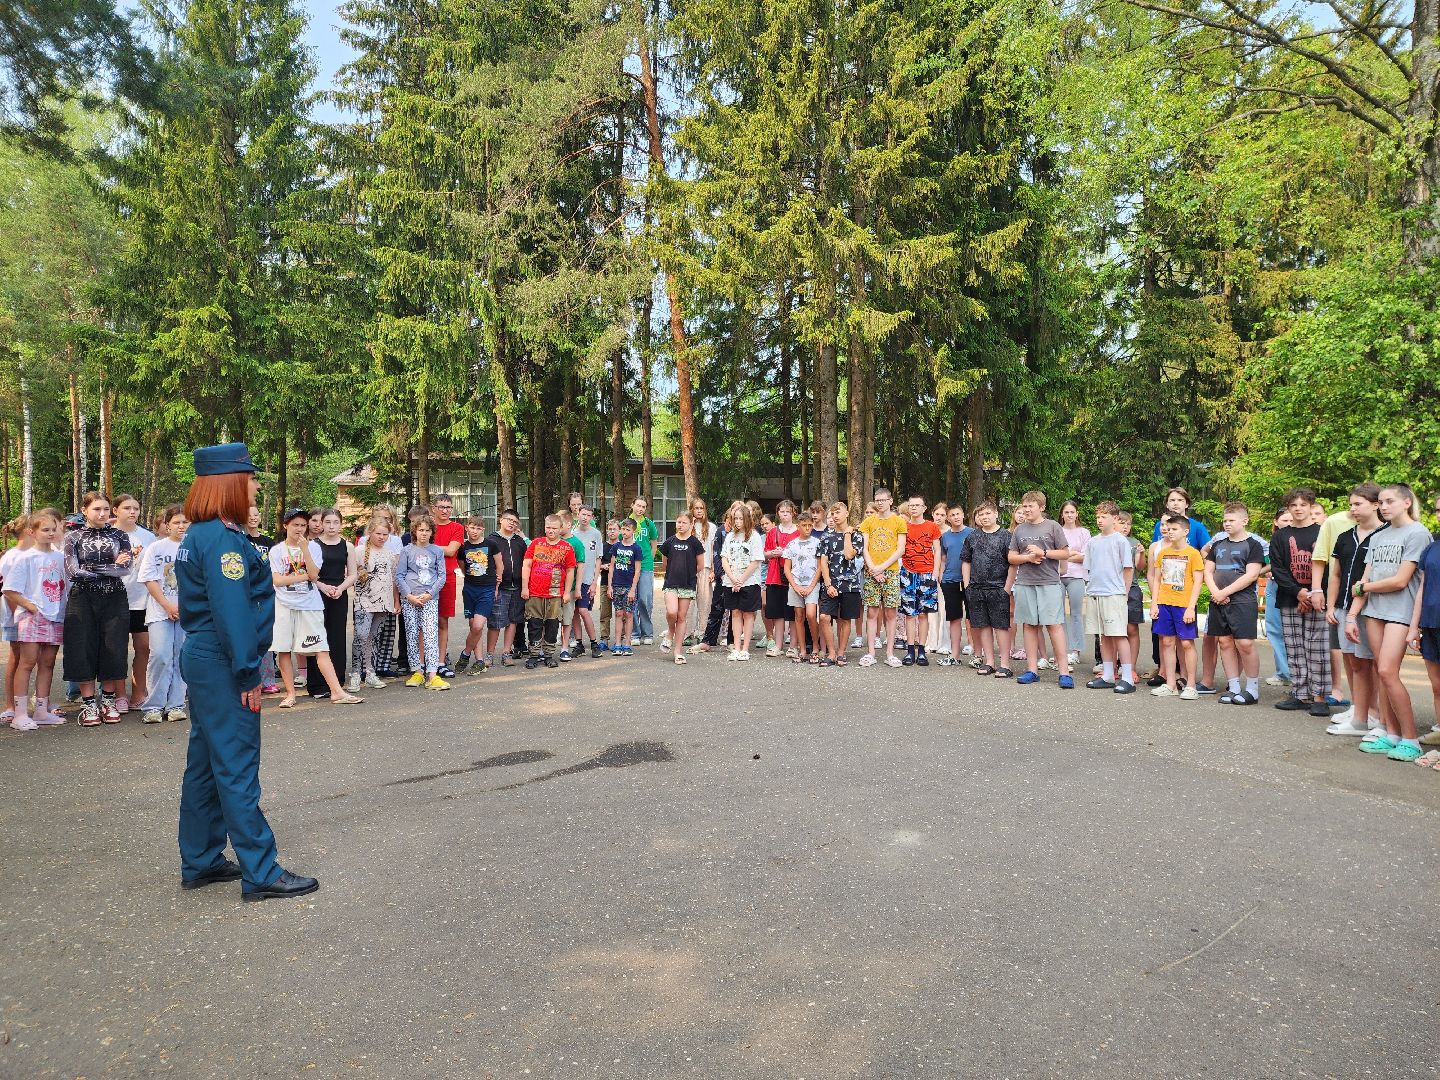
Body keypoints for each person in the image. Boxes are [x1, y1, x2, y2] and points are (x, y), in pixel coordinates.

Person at [174, 444, 318, 902]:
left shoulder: (205, 532)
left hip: (207, 656)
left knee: (205, 763)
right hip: (223, 659)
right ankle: (260, 870)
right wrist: (247, 673)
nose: (255, 485)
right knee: (236, 764)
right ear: (230, 483)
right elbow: (232, 611)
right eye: (250, 478)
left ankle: (201, 858)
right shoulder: (221, 538)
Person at [1350, 484, 1429, 761]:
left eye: (1389, 501)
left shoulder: (1417, 533)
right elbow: (1365, 577)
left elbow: (1400, 581)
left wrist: (1363, 588)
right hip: (1374, 612)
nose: (1383, 506)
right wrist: (1352, 615)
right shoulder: (1379, 535)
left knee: (1387, 671)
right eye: (1381, 502)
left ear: (1407, 502)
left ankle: (1411, 739)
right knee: (1380, 671)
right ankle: (1391, 734)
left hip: (1401, 612)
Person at [269, 509, 363, 705]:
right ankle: (290, 695)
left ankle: (337, 691)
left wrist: (305, 551)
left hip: (310, 604)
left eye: (303, 525)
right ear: (286, 526)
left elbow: (313, 574)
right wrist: (302, 577)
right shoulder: (277, 550)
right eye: (295, 525)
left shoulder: (314, 547)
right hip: (284, 604)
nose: (299, 529)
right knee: (284, 649)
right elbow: (277, 580)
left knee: (321, 648)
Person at [63, 491, 134, 726]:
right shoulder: (73, 537)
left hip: (114, 597)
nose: (102, 513)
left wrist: (91, 567)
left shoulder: (120, 535)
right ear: (84, 510)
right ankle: (88, 703)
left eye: (105, 509)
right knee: (82, 646)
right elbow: (73, 572)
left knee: (114, 646)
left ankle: (109, 700)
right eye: (96, 509)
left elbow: (125, 569)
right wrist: (110, 565)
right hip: (82, 598)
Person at [1325, 484, 1386, 737]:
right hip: (1343, 606)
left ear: (1375, 505)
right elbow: (1335, 575)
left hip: (1371, 608)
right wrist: (1331, 606)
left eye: (1358, 504)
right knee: (1354, 661)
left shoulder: (1385, 535)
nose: (1353, 509)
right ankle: (1359, 711)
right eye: (1350, 504)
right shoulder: (1344, 536)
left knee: (1374, 663)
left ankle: (1375, 713)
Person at [1270, 488, 1332, 717]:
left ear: (1311, 506)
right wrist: (1298, 593)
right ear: (1288, 508)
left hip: (1318, 598)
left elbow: (1329, 567)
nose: (1298, 509)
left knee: (1317, 648)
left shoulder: (1322, 533)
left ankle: (1320, 697)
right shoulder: (1280, 536)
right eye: (1293, 505)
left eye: (1303, 505)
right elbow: (1278, 568)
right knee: (1294, 648)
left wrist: (1312, 593)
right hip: (1290, 598)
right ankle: (1300, 694)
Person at [4, 508, 67, 729]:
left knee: (48, 663)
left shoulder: (60, 558)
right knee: (27, 662)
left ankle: (41, 710)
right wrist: (31, 607)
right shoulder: (26, 558)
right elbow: (10, 590)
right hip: (32, 617)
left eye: (53, 529)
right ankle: (20, 714)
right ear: (32, 532)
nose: (51, 533)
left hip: (56, 616)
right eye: (45, 530)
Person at [1008, 491, 1074, 688]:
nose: (1027, 510)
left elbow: (1065, 553)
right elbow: (1011, 557)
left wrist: (1043, 552)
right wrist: (1027, 558)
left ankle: (1064, 672)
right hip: (1025, 583)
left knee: (1054, 625)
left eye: (1031, 506)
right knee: (1029, 626)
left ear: (1042, 507)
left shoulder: (1053, 526)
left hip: (1049, 583)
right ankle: (1032, 670)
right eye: (1025, 506)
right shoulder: (1019, 530)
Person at [1204, 502, 1266, 705]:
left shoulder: (1253, 545)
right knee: (1225, 642)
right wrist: (1216, 593)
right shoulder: (1218, 545)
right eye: (1225, 520)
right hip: (1218, 599)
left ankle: (1252, 690)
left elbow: (1251, 575)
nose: (1227, 524)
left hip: (1243, 600)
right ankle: (1234, 687)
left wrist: (1225, 592)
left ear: (1244, 521)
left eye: (1231, 520)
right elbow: (1208, 571)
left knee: (1245, 643)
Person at [1148, 488, 1211, 680]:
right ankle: (1167, 677)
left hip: (1184, 599)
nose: (1168, 531)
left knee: (1185, 642)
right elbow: (1155, 575)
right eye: (1172, 500)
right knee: (1165, 640)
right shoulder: (1161, 548)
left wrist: (1192, 605)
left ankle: (1187, 679)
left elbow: (1205, 557)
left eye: (1179, 500)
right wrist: (1154, 601)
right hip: (1164, 599)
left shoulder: (1196, 532)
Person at [137, 504, 190, 723]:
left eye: (185, 522)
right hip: (160, 611)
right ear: (167, 525)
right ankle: (154, 706)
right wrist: (167, 605)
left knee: (181, 657)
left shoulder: (194, 548)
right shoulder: (156, 548)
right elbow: (149, 579)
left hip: (187, 611)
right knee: (160, 655)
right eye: (176, 522)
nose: (181, 526)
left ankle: (176, 704)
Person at [1082, 501, 1136, 694]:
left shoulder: (1120, 541)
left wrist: (1125, 593)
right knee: (1103, 636)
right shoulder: (1092, 542)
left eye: (1103, 517)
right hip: (1096, 593)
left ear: (1114, 519)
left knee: (1119, 634)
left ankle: (1127, 677)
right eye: (1097, 516)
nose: (1099, 520)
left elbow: (1128, 569)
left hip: (1114, 593)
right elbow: (1089, 568)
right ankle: (1107, 675)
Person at [392, 514, 449, 689]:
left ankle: (432, 674)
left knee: (430, 635)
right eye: (420, 530)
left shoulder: (437, 551)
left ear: (432, 532)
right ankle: (417, 671)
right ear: (414, 531)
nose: (424, 533)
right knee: (412, 635)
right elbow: (399, 576)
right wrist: (408, 596)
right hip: (410, 599)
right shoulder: (406, 551)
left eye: (427, 530)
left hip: (429, 599)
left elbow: (442, 576)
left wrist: (430, 594)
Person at [307, 508, 358, 699]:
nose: (331, 526)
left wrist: (340, 588)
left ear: (340, 524)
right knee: (318, 637)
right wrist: (323, 587)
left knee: (336, 637)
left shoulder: (347, 546)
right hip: (317, 593)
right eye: (327, 522)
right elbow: (309, 574)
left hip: (339, 594)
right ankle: (317, 684)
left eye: (335, 522)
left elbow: (352, 574)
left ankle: (337, 682)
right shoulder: (313, 545)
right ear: (321, 523)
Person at [1311, 498, 1356, 708]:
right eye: (1352, 503)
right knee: (1338, 646)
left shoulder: (1383, 527)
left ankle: (1369, 710)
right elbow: (1323, 561)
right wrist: (1317, 589)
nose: (1354, 508)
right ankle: (1339, 693)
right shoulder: (1336, 525)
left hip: (1366, 596)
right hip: (1336, 595)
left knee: (1364, 658)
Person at [962, 501, 1015, 678]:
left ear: (996, 514)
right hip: (976, 588)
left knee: (1001, 627)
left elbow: (1013, 564)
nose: (985, 517)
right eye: (981, 514)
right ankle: (989, 661)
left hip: (998, 588)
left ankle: (1005, 664)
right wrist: (967, 585)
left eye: (988, 513)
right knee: (983, 626)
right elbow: (966, 560)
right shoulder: (972, 536)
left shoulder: (1006, 536)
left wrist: (1007, 588)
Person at [114, 493, 156, 713]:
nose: (132, 512)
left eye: (136, 508)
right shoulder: (108, 535)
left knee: (144, 647)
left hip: (143, 600)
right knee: (117, 650)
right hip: (115, 600)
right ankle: (119, 696)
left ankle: (138, 693)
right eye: (127, 508)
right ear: (115, 511)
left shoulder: (148, 537)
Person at [521, 513, 577, 670]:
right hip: (535, 592)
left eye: (554, 528)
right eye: (548, 527)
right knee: (534, 624)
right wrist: (525, 587)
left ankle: (548, 655)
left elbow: (570, 571)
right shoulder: (536, 543)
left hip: (555, 594)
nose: (551, 531)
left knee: (553, 625)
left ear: (561, 528)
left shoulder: (567, 547)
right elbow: (526, 565)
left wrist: (567, 592)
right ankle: (533, 655)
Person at [348, 514, 397, 691]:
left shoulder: (390, 555)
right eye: (378, 534)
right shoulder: (359, 551)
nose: (382, 537)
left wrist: (395, 601)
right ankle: (355, 673)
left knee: (373, 637)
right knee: (361, 636)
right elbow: (350, 573)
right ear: (370, 532)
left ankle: (370, 672)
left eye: (385, 534)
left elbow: (393, 580)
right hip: (364, 601)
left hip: (383, 602)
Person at [859, 488, 907, 668]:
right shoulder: (868, 522)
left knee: (891, 612)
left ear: (890, 501)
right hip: (871, 572)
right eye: (877, 500)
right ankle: (871, 652)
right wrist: (873, 569)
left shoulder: (899, 521)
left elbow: (900, 549)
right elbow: (864, 548)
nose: (880, 503)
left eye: (883, 500)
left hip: (891, 572)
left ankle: (890, 653)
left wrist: (882, 567)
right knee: (872, 612)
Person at [817, 500, 865, 666]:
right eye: (832, 513)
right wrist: (828, 584)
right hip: (831, 583)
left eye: (838, 512)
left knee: (845, 619)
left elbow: (849, 555)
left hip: (850, 584)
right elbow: (823, 562)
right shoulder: (826, 536)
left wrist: (847, 534)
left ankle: (841, 653)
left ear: (846, 514)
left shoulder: (856, 535)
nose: (835, 516)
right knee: (824, 617)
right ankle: (831, 653)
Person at [895, 495, 941, 667]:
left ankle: (921, 649)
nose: (914, 508)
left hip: (927, 574)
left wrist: (935, 572)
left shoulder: (931, 526)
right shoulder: (903, 526)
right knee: (909, 614)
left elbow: (937, 549)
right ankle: (910, 650)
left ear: (924, 508)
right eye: (911, 505)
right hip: (908, 573)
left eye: (917, 505)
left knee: (923, 614)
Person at [243, 507, 283, 693]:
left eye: (256, 515)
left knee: (266, 636)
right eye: (249, 515)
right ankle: (251, 679)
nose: (252, 518)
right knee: (247, 638)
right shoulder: (240, 539)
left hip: (266, 594)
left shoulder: (268, 542)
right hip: (246, 595)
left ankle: (268, 680)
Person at [658, 511, 706, 666]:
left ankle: (677, 651)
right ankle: (670, 632)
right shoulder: (670, 541)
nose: (680, 525)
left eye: (684, 522)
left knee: (681, 616)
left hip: (687, 584)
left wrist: (688, 574)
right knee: (672, 612)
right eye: (678, 522)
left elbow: (700, 565)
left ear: (691, 524)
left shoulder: (695, 543)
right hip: (671, 583)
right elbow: (664, 563)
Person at [0, 513, 35, 724]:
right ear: (30, 531)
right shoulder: (12, 557)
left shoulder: (32, 554)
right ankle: (10, 706)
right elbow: (8, 590)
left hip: (28, 616)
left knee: (29, 659)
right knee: (17, 659)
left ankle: (29, 702)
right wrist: (17, 616)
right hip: (16, 616)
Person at [1408, 526, 1440, 752]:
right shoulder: (1431, 548)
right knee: (1437, 685)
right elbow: (1422, 588)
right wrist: (1413, 627)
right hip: (1429, 624)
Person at [721, 502, 765, 661]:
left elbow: (756, 560)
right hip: (731, 581)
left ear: (747, 519)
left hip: (749, 581)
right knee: (735, 613)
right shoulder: (730, 536)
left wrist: (741, 580)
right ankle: (736, 647)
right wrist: (733, 578)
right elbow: (724, 558)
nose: (737, 521)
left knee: (748, 613)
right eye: (735, 518)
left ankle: (745, 649)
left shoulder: (754, 536)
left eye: (740, 518)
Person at [428, 494, 463, 678]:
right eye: (441, 507)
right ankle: (425, 662)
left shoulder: (457, 528)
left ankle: (440, 662)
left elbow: (451, 551)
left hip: (447, 578)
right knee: (425, 622)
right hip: (424, 579)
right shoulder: (427, 526)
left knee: (442, 621)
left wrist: (427, 546)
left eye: (448, 507)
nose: (445, 510)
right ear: (433, 508)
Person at [486, 510, 528, 666]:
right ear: (501, 520)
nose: (512, 523)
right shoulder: (491, 540)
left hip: (516, 588)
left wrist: (524, 586)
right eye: (509, 520)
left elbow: (526, 564)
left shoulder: (520, 541)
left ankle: (506, 653)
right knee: (495, 622)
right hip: (499, 588)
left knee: (513, 621)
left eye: (515, 522)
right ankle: (489, 654)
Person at [455, 514, 494, 674]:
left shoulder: (490, 544)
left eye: (478, 528)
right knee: (473, 627)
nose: (475, 531)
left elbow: (499, 566)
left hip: (487, 589)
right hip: (470, 589)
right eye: (472, 527)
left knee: (478, 625)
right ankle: (479, 661)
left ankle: (465, 654)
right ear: (467, 528)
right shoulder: (463, 548)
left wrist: (497, 585)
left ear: (483, 529)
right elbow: (463, 567)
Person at [782, 511, 822, 663]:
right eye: (804, 525)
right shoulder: (791, 544)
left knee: (811, 614)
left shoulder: (817, 543)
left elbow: (820, 567)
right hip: (796, 584)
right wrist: (795, 586)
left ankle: (816, 647)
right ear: (798, 526)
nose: (807, 528)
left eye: (810, 525)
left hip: (812, 584)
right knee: (798, 616)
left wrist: (811, 586)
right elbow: (787, 568)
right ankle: (803, 649)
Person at [762, 500, 799, 657]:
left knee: (793, 613)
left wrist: (785, 552)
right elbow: (765, 553)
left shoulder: (798, 531)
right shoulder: (772, 532)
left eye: (787, 512)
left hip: (793, 577)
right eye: (782, 512)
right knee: (777, 613)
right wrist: (773, 553)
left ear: (793, 513)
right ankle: (778, 645)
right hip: (774, 575)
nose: (784, 515)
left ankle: (793, 646)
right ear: (778, 513)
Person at [936, 504, 972, 666]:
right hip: (950, 580)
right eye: (952, 515)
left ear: (963, 515)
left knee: (973, 618)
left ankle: (977, 653)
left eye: (958, 514)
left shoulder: (972, 533)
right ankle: (955, 654)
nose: (956, 517)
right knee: (954, 618)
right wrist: (941, 576)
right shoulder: (945, 537)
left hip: (970, 581)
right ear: (948, 518)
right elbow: (943, 558)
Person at [1263, 507, 1294, 687]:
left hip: (1294, 588)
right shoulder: (1269, 542)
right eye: (1284, 520)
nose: (1288, 524)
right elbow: (1267, 563)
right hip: (1274, 587)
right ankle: (1283, 672)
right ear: (1276, 522)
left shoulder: (1301, 539)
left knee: (1294, 631)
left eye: (1291, 520)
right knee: (1275, 630)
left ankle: (1294, 673)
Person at [1058, 500, 1090, 668]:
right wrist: (1072, 554)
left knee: (1076, 614)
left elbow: (1085, 556)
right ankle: (1061, 650)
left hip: (1077, 577)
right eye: (1066, 512)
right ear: (1062, 514)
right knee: (1059, 614)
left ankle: (1075, 651)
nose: (1069, 515)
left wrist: (1065, 555)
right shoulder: (1057, 531)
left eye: (1072, 512)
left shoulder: (1084, 532)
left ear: (1077, 514)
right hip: (1058, 576)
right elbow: (1054, 555)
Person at [1116, 512, 1147, 679]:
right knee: (1111, 630)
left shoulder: (1134, 543)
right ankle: (1112, 668)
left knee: (1131, 628)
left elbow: (1140, 567)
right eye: (1122, 523)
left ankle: (1131, 667)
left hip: (1132, 588)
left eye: (1128, 524)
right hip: (1112, 589)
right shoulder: (1108, 540)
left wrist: (1141, 554)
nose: (1126, 527)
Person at [606, 517, 644, 656]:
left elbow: (638, 570)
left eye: (628, 529)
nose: (624, 532)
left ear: (633, 531)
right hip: (616, 585)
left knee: (628, 614)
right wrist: (610, 586)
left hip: (629, 586)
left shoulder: (636, 548)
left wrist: (633, 589)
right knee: (618, 613)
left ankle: (627, 643)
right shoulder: (616, 547)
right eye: (623, 529)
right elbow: (611, 566)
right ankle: (617, 643)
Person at [570, 505, 604, 658]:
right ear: (578, 514)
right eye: (583, 514)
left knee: (584, 610)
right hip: (573, 580)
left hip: (587, 580)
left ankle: (594, 643)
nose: (585, 518)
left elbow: (598, 559)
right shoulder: (572, 533)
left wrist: (594, 582)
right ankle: (579, 643)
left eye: (588, 515)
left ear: (592, 518)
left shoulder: (596, 534)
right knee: (574, 612)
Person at [627, 496, 659, 645]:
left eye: (643, 507)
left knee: (645, 599)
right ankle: (634, 633)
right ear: (632, 505)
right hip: (629, 566)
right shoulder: (625, 523)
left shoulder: (648, 524)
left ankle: (647, 632)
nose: (640, 509)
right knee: (631, 599)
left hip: (645, 565)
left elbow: (654, 544)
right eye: (638, 505)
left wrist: (650, 559)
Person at [687, 499, 716, 649]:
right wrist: (690, 525)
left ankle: (702, 632)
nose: (699, 511)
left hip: (705, 567)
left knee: (705, 602)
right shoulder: (687, 526)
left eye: (701, 508)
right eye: (696, 508)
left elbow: (713, 549)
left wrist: (713, 569)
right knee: (688, 601)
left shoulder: (711, 527)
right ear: (691, 509)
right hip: (689, 568)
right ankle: (686, 633)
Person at [557, 511, 586, 661]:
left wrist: (578, 588)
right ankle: (544, 648)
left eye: (560, 524)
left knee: (567, 618)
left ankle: (565, 648)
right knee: (548, 618)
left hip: (570, 587)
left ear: (568, 524)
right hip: (553, 587)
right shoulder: (553, 541)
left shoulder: (577, 544)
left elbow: (580, 567)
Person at [596, 517, 619, 650]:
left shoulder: (622, 546)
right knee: (604, 612)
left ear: (619, 531)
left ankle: (620, 639)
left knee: (621, 613)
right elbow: (596, 564)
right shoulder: (602, 547)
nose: (612, 532)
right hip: (605, 582)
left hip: (621, 583)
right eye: (610, 529)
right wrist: (604, 566)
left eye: (614, 529)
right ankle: (604, 639)